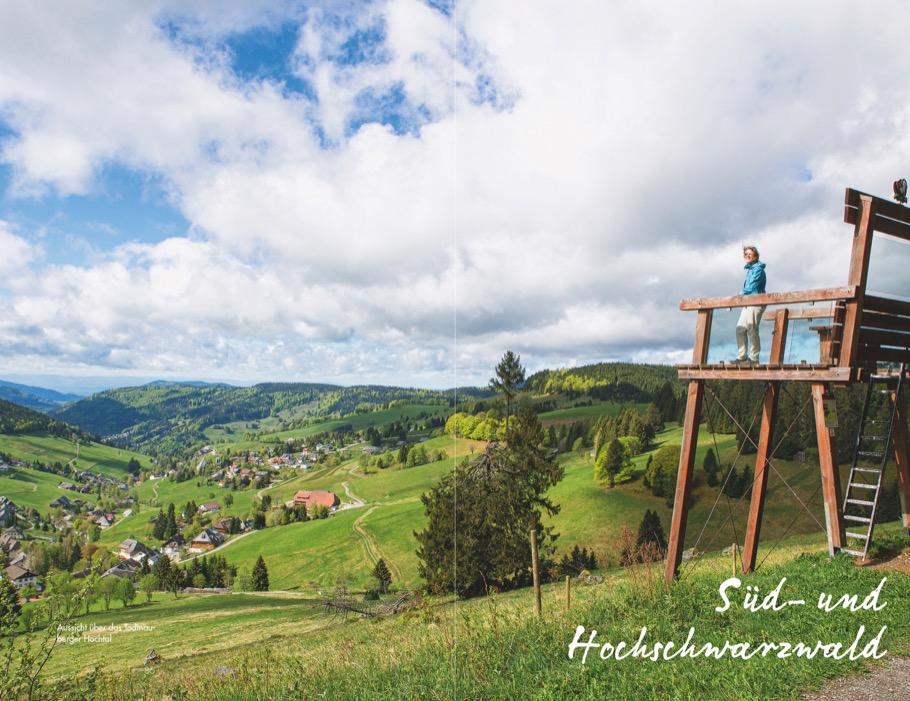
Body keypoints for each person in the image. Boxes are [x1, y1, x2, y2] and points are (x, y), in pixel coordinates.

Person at [735, 245, 766, 363]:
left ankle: (754, 358)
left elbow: (752, 286)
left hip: (757, 302)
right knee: (740, 329)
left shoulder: (758, 269)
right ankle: (742, 357)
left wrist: (740, 294)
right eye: (745, 254)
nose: (747, 256)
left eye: (750, 254)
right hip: (748, 302)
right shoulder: (750, 270)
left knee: (752, 328)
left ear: (756, 256)